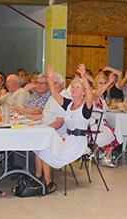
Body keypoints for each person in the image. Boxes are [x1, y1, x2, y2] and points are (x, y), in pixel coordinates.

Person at [35, 64, 93, 194]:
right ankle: (43, 180)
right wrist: (50, 78)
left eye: (78, 87)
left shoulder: (86, 107)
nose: (74, 89)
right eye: (73, 87)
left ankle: (47, 182)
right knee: (42, 147)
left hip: (78, 142)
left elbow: (90, 97)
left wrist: (84, 77)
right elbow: (54, 93)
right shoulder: (69, 104)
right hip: (66, 138)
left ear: (83, 92)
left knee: (48, 150)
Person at [90, 73, 120, 167]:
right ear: (95, 85)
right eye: (100, 83)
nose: (103, 85)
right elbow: (98, 93)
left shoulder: (102, 97)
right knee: (114, 132)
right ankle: (107, 156)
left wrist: (112, 108)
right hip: (94, 124)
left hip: (101, 123)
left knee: (112, 129)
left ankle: (94, 152)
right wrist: (110, 82)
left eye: (104, 83)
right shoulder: (93, 93)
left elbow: (102, 109)